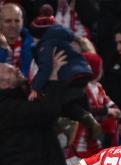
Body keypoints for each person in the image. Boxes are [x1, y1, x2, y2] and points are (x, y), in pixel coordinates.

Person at [29, 4, 102, 140]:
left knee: (59, 102)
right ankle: (87, 119)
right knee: (75, 98)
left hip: (68, 77)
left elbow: (46, 69)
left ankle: (71, 124)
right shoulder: (63, 39)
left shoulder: (46, 45)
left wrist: (35, 87)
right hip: (82, 73)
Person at [0, 51, 68, 165]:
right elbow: (48, 111)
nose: (16, 69)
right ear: (2, 85)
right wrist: (53, 76)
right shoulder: (5, 106)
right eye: (9, 71)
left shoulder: (21, 97)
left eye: (13, 67)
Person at [0, 2, 34, 77]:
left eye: (17, 21)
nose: (13, 25)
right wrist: (3, 48)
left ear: (22, 22)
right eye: (8, 21)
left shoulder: (33, 45)